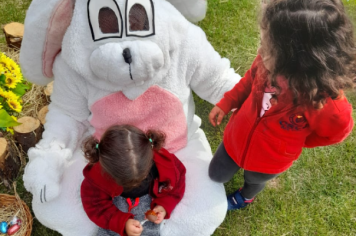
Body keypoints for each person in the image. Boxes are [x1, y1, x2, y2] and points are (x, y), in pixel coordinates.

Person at [208, 0, 355, 211]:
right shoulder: (267, 61)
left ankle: (247, 196)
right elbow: (249, 80)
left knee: (255, 181)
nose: (260, 50)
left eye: (268, 46)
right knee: (215, 174)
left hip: (271, 161)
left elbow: (336, 133)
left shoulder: (325, 104)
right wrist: (227, 103)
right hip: (235, 138)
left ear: (298, 60)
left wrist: (296, 141)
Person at [80, 125, 186, 236]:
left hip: (149, 202)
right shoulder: (98, 177)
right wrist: (122, 223)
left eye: (144, 177)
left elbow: (177, 179)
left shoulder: (163, 162)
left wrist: (164, 205)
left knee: (150, 228)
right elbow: (95, 205)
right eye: (125, 182)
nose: (137, 185)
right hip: (115, 205)